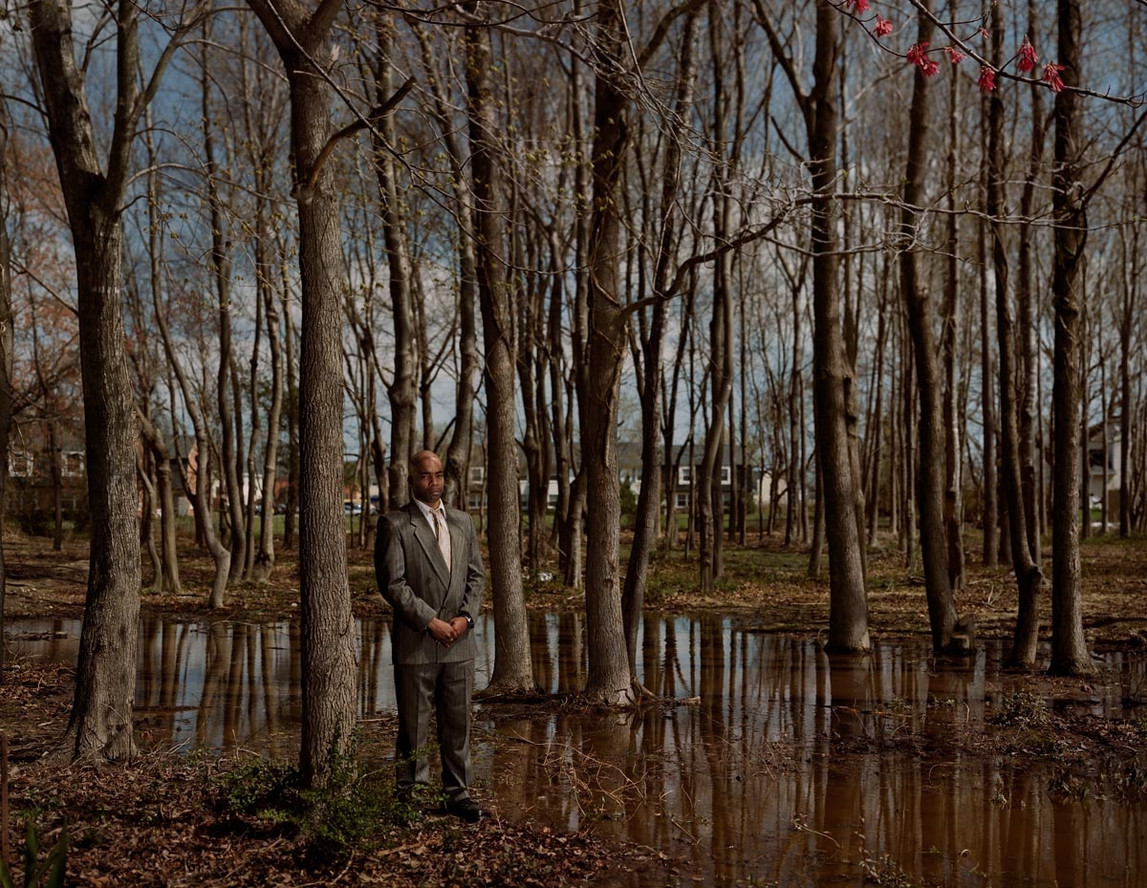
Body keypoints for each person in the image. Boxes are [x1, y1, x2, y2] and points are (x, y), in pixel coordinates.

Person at [374, 449, 486, 822]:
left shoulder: (462, 522)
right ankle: (411, 797)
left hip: (460, 642)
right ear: (412, 480)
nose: (433, 482)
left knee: (458, 726)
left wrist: (465, 619)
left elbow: (476, 576)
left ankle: (458, 794)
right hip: (417, 641)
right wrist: (430, 622)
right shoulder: (395, 524)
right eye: (425, 476)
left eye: (438, 475)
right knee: (413, 728)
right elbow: (394, 584)